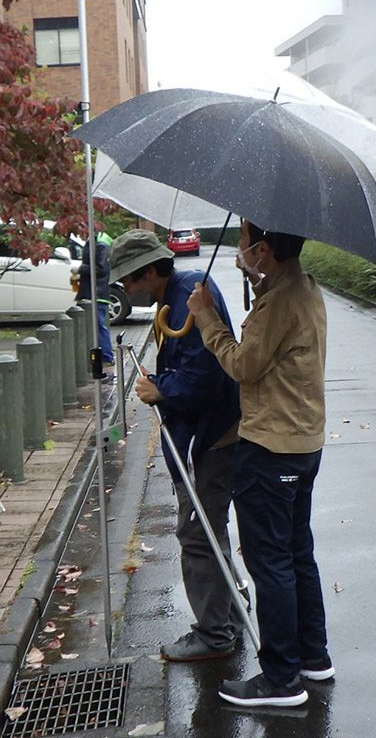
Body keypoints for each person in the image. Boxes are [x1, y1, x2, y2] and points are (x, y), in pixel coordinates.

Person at [187, 220, 334, 708]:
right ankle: (313, 658)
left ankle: (281, 679)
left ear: (263, 249)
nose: (238, 249)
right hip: (302, 444)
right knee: (295, 554)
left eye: (243, 242)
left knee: (269, 562)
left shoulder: (279, 301)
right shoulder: (301, 286)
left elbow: (243, 365)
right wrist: (257, 282)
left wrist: (207, 318)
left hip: (271, 449)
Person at [109, 229, 243, 661]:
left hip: (211, 437)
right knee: (210, 528)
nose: (127, 289)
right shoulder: (185, 288)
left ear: (149, 271)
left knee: (198, 531)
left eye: (129, 280)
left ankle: (214, 634)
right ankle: (229, 616)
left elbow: (204, 378)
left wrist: (160, 388)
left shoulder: (190, 294)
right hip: (211, 433)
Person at [76, 225, 114, 365]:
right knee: (97, 325)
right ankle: (104, 356)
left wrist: (80, 269)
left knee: (98, 325)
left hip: (97, 291)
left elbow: (100, 268)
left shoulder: (100, 243)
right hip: (94, 290)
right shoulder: (96, 241)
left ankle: (106, 356)